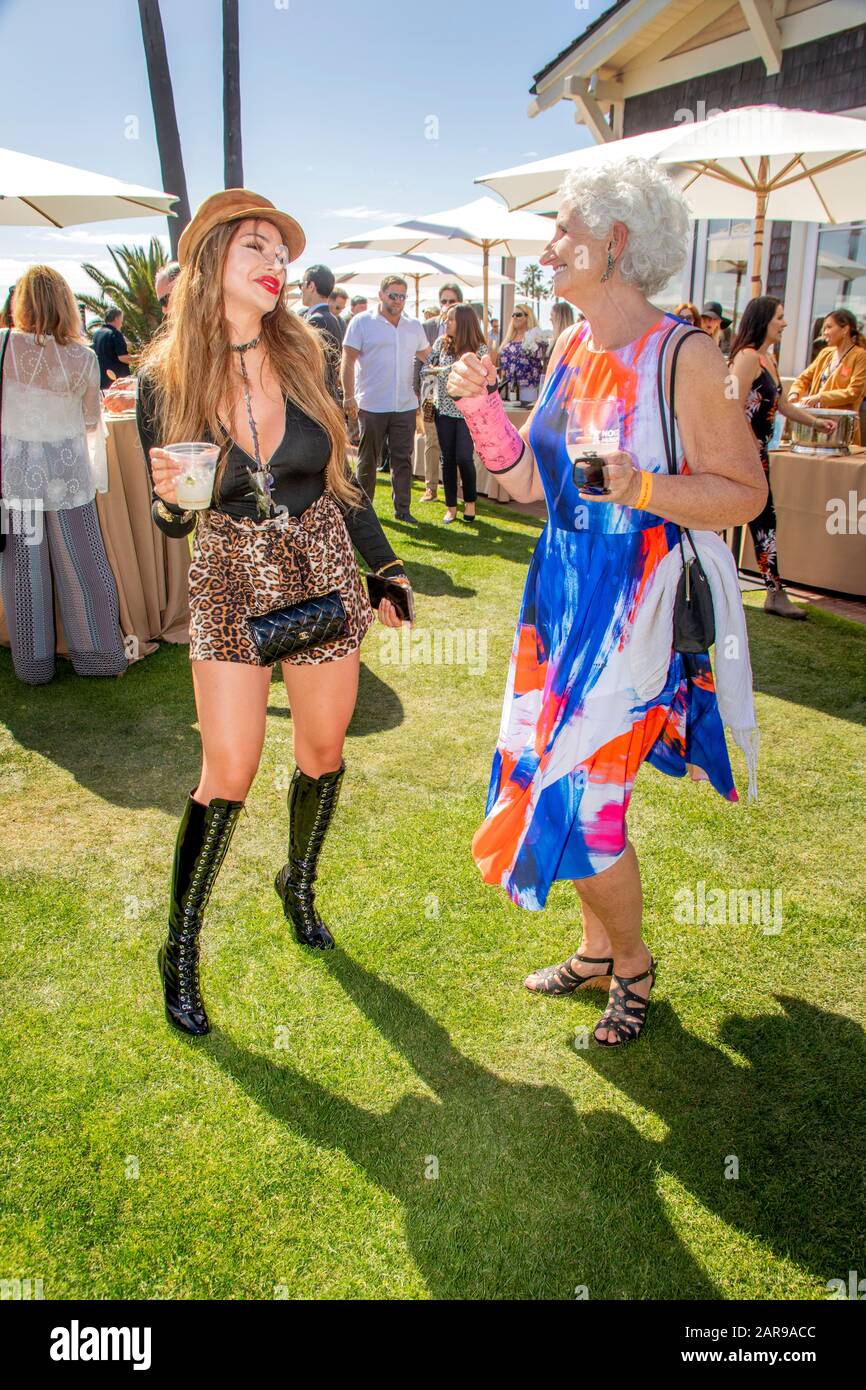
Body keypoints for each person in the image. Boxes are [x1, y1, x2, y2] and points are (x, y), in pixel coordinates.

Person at [446, 157, 767, 1047]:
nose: (547, 246)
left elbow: (745, 493)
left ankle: (633, 967)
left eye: (563, 229)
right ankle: (595, 951)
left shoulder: (687, 357)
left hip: (634, 607)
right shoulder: (571, 344)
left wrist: (644, 487)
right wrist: (480, 411)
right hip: (558, 596)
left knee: (586, 799)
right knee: (548, 776)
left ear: (614, 241)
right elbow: (523, 489)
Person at [135, 191, 414, 1037]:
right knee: (230, 768)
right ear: (212, 259)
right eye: (255, 244)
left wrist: (387, 566)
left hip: (322, 559)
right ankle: (179, 948)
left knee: (323, 750)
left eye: (282, 250)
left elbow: (340, 479)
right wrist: (175, 505)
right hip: (227, 572)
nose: (275, 260)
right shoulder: (164, 379)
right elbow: (172, 520)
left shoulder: (306, 355)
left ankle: (298, 881)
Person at [0, 265, 127, 685]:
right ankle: (97, 655)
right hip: (69, 476)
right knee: (83, 564)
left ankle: (34, 665)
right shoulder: (83, 356)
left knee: (23, 568)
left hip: (18, 479)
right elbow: (93, 418)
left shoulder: (3, 344)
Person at [728, 296, 835, 619]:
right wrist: (747, 451)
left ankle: (771, 591)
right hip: (745, 453)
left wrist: (816, 423)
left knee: (763, 520)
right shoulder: (746, 359)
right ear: (763, 321)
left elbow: (784, 406)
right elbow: (730, 406)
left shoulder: (766, 360)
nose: (785, 324)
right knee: (759, 519)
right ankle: (770, 591)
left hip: (759, 451)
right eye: (779, 317)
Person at [341, 275, 430, 524]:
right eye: (393, 295)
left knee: (403, 460)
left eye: (403, 296)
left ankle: (403, 510)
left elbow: (429, 358)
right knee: (367, 461)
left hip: (405, 405)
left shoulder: (413, 326)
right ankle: (362, 511)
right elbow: (347, 362)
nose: (399, 300)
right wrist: (348, 397)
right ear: (380, 295)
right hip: (371, 404)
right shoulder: (362, 323)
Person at [422, 304, 485, 524]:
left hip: (469, 413)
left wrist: (449, 371)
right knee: (447, 459)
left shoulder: (480, 348)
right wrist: (434, 370)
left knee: (464, 458)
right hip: (444, 411)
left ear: (464, 322)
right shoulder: (441, 344)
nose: (446, 323)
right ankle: (451, 506)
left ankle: (470, 503)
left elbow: (482, 377)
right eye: (446, 319)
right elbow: (425, 368)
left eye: (451, 319)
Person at [788, 308, 866, 443]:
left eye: (829, 327)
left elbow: (854, 392)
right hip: (816, 424)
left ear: (845, 329)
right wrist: (794, 394)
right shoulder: (826, 353)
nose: (825, 333)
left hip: (841, 429)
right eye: (824, 328)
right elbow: (803, 378)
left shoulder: (860, 356)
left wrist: (820, 397)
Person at [419, 284, 463, 503]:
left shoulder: (466, 332)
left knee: (453, 446)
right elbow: (421, 363)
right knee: (432, 441)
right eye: (443, 301)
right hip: (430, 394)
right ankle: (430, 488)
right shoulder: (428, 327)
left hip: (456, 401)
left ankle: (453, 490)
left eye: (451, 301)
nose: (446, 305)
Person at [299, 264, 343, 398]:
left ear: (311, 285)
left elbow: (308, 365)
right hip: (327, 395)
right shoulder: (333, 318)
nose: (301, 290)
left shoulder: (317, 320)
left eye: (301, 285)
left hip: (318, 397)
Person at [498, 303, 545, 404]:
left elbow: (542, 362)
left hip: (528, 389)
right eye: (513, 315)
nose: (515, 317)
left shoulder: (535, 338)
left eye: (519, 314)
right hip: (508, 389)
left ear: (528, 317)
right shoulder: (508, 340)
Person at [91, 307, 133, 389]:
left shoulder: (96, 334)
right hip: (118, 381)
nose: (122, 323)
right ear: (117, 318)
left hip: (102, 380)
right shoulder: (115, 334)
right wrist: (140, 358)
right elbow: (122, 357)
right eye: (121, 319)